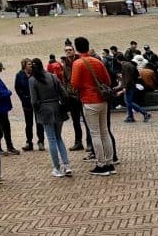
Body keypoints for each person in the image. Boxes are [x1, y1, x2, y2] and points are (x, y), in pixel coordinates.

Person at [69, 36, 115, 176]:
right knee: (104, 132)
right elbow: (107, 80)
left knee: (95, 133)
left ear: (77, 48)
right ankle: (110, 162)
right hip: (102, 99)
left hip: (89, 100)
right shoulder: (97, 61)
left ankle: (101, 164)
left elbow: (75, 84)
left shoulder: (78, 63)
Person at [28, 57, 72, 177]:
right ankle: (66, 165)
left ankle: (57, 168)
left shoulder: (32, 80)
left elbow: (33, 100)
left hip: (44, 109)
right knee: (58, 138)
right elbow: (63, 93)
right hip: (57, 107)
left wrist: (37, 111)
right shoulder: (52, 76)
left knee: (51, 139)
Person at [14, 58, 45, 151]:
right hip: (26, 102)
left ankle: (41, 141)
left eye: (31, 64)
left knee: (39, 122)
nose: (31, 65)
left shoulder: (35, 74)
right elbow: (17, 88)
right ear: (24, 65)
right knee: (28, 124)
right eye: (29, 64)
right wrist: (23, 98)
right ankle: (29, 142)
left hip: (37, 102)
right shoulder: (19, 75)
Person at [60, 45, 85, 151]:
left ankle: (90, 142)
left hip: (83, 94)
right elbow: (65, 79)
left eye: (70, 50)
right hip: (71, 95)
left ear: (74, 51)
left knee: (86, 119)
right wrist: (66, 91)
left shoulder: (81, 61)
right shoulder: (65, 63)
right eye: (66, 50)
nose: (68, 52)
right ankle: (78, 142)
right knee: (75, 120)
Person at [118, 54, 150, 122]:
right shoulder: (130, 64)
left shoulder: (124, 66)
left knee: (128, 102)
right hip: (132, 85)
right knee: (128, 102)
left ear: (118, 60)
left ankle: (144, 113)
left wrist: (125, 87)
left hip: (129, 86)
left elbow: (127, 78)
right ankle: (130, 117)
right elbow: (136, 75)